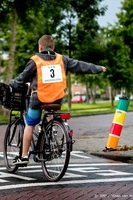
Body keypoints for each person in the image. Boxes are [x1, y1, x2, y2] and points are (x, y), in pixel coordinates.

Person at [9, 35, 107, 166]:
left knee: (30, 124)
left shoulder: (35, 61)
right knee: (49, 114)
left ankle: (24, 156)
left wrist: (13, 83)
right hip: (57, 98)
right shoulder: (62, 59)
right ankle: (52, 135)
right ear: (53, 47)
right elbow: (80, 65)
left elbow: (21, 79)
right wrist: (98, 68)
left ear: (40, 47)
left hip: (39, 98)